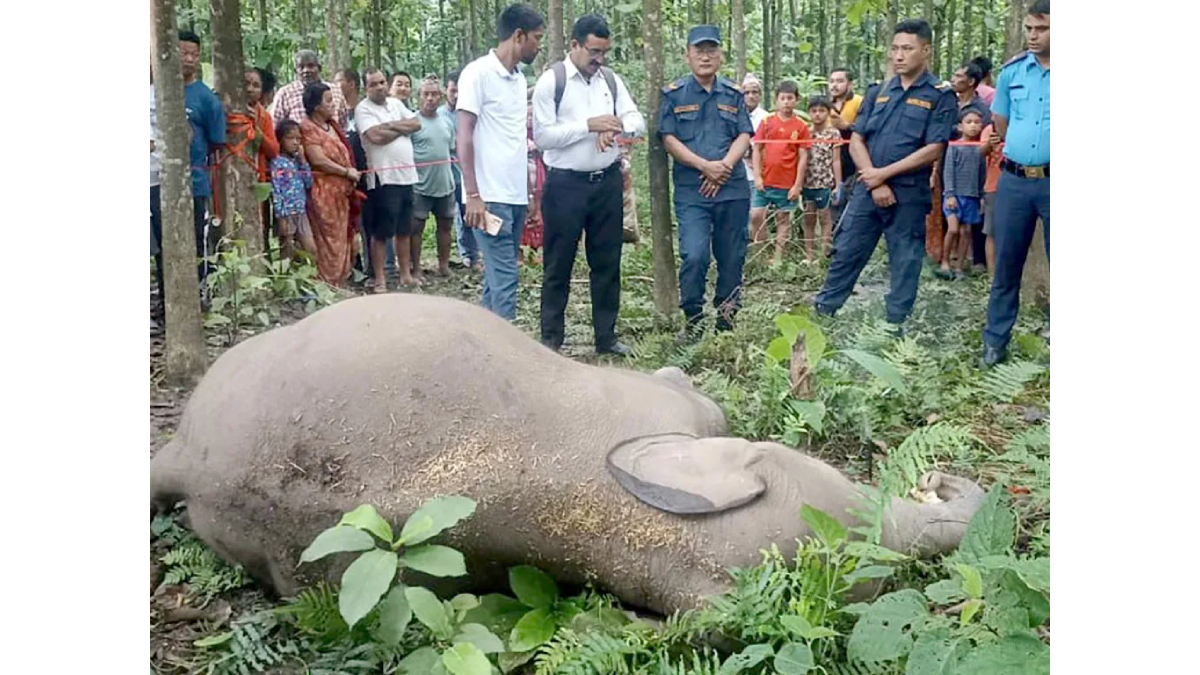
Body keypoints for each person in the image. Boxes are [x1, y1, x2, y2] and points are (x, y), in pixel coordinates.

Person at [812, 19, 956, 337]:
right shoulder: (878, 92)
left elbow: (934, 148)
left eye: (907, 48)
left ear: (926, 50)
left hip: (907, 193)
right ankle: (823, 314)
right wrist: (875, 181)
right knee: (846, 250)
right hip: (868, 190)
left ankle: (895, 326)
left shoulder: (939, 95)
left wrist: (884, 176)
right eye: (895, 49)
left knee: (905, 261)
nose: (899, 56)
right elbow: (857, 138)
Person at [532, 13, 645, 355]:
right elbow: (544, 137)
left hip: (606, 183)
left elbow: (636, 120)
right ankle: (551, 339)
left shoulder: (610, 80)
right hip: (565, 186)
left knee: (607, 262)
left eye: (604, 52)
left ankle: (606, 337)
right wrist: (589, 126)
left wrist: (615, 128)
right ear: (575, 45)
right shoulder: (552, 82)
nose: (600, 59)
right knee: (558, 263)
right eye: (594, 51)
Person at [659, 25, 754, 336]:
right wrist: (705, 167)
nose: (706, 56)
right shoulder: (673, 94)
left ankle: (726, 321)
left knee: (732, 257)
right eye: (699, 50)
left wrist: (724, 166)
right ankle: (694, 320)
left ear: (721, 55)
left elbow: (744, 134)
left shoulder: (734, 93)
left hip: (733, 188)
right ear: (687, 54)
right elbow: (668, 138)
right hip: (693, 191)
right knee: (695, 254)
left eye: (712, 50)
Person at [457, 3, 545, 322]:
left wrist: (530, 192)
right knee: (506, 277)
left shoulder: (519, 80)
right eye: (536, 38)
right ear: (518, 35)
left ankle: (484, 347)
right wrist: (473, 195)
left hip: (515, 196)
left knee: (497, 281)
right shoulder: (477, 74)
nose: (539, 45)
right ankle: (509, 355)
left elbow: (516, 139)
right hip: (489, 197)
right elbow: (464, 136)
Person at [982, 0, 1050, 366]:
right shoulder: (1012, 73)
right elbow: (1001, 124)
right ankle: (995, 342)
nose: (1033, 35)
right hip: (1016, 181)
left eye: (1042, 29)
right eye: (1029, 29)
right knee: (1006, 262)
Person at [356, 68, 422, 291]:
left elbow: (416, 124)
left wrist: (390, 125)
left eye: (383, 82)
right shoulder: (363, 109)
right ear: (366, 88)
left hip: (406, 176)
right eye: (374, 84)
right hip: (383, 178)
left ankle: (405, 275)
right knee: (381, 232)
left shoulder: (395, 104)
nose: (380, 87)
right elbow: (375, 136)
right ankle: (381, 279)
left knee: (404, 229)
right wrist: (400, 128)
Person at [178, 30, 226, 285]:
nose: (188, 59)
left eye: (193, 54)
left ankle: (200, 289)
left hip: (195, 180)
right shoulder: (154, 92)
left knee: (197, 236)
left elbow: (217, 141)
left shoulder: (207, 98)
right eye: (183, 53)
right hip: (157, 180)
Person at [300, 82, 360, 285]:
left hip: (341, 193)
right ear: (316, 106)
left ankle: (341, 279)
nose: (333, 104)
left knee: (343, 235)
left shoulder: (332, 125)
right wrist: (345, 171)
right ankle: (326, 282)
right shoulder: (307, 127)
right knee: (327, 238)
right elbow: (318, 160)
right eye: (328, 101)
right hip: (322, 193)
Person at [750, 80, 809, 265]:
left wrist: (797, 185)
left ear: (796, 100)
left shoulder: (801, 126)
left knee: (783, 219)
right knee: (756, 215)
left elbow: (803, 157)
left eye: (790, 98)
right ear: (776, 100)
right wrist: (758, 176)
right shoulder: (767, 122)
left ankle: (778, 258)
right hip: (765, 180)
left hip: (787, 182)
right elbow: (757, 149)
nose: (786, 102)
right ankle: (759, 254)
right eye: (782, 98)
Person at [411, 76, 458, 278]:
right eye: (426, 95)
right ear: (418, 97)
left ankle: (444, 265)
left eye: (434, 94)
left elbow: (452, 149)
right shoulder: (412, 122)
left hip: (445, 184)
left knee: (445, 225)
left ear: (440, 97)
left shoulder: (447, 121)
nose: (430, 99)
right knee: (416, 228)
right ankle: (416, 267)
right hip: (420, 185)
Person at [935, 108, 987, 280]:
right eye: (969, 122)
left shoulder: (980, 149)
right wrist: (949, 195)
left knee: (966, 232)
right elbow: (948, 171)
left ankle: (959, 267)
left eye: (977, 122)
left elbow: (981, 174)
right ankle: (944, 261)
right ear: (960, 126)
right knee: (953, 229)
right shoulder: (954, 146)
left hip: (971, 196)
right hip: (954, 195)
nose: (973, 126)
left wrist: (981, 196)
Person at [440, 69, 481, 270]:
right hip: (446, 175)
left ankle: (475, 255)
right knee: (453, 216)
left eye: (460, 91)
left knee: (470, 213)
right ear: (445, 90)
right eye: (452, 90)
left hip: (468, 173)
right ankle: (462, 254)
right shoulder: (440, 115)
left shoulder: (469, 114)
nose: (456, 95)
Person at [802, 96, 843, 261]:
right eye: (814, 111)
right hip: (807, 182)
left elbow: (836, 159)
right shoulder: (805, 131)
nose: (817, 114)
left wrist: (838, 183)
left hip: (825, 181)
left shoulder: (833, 133)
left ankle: (824, 253)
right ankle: (809, 254)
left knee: (825, 218)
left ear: (828, 112)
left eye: (821, 111)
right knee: (808, 217)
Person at [269, 120, 317, 260]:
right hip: (287, 213)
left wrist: (303, 161)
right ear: (280, 139)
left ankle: (309, 279)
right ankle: (286, 279)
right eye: (290, 138)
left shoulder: (297, 161)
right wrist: (281, 217)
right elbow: (277, 191)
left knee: (310, 249)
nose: (295, 142)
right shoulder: (277, 162)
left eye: (298, 139)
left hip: (300, 211)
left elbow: (308, 183)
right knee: (287, 251)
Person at [245, 67, 280, 251]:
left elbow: (274, 150)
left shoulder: (264, 116)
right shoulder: (224, 109)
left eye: (256, 85)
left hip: (257, 179)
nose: (250, 89)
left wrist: (256, 131)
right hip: (227, 180)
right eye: (246, 84)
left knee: (259, 227)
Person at [271, 50, 348, 129]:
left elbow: (342, 124)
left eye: (311, 66)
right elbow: (275, 126)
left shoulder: (335, 91)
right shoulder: (285, 94)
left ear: (319, 68)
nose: (306, 70)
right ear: (295, 71)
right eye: (301, 67)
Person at [827, 67, 864, 228]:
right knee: (831, 209)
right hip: (829, 166)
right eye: (832, 81)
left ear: (849, 84)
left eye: (840, 81)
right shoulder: (825, 105)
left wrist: (846, 126)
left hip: (853, 164)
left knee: (850, 209)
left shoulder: (859, 102)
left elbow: (867, 128)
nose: (835, 85)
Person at [977, 119, 1004, 275]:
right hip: (993, 185)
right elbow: (979, 152)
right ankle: (992, 274)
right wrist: (990, 144)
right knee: (991, 231)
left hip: (1017, 185)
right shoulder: (990, 129)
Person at [521, 94, 545, 267]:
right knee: (523, 219)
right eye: (527, 116)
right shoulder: (517, 135)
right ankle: (520, 253)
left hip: (540, 182)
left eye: (532, 116)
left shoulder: (542, 136)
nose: (530, 120)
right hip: (523, 182)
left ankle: (535, 252)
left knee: (539, 217)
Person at [740, 74, 770, 179]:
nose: (751, 96)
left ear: (760, 95)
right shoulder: (734, 117)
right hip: (738, 174)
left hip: (760, 175)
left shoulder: (766, 118)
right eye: (746, 93)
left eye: (754, 92)